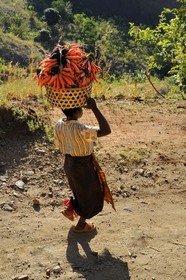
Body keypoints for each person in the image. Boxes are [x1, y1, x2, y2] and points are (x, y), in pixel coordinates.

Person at [54, 97, 115, 233]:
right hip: (83, 166)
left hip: (69, 163)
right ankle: (80, 226)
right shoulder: (81, 129)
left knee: (80, 191)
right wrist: (94, 108)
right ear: (77, 111)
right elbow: (106, 131)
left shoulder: (58, 124)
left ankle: (70, 210)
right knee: (92, 196)